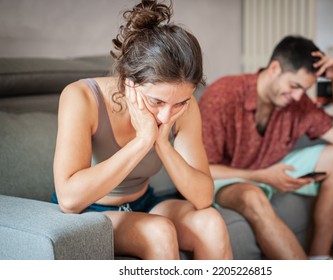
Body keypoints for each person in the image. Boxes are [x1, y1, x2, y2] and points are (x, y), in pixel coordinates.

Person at [52, 0, 232, 260]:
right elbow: (69, 200)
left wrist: (162, 144)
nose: (165, 115)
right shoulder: (81, 97)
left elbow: (203, 197)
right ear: (129, 81)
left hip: (144, 203)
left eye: (179, 102)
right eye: (156, 101)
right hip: (91, 211)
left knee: (211, 223)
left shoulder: (184, 106)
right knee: (158, 231)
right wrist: (143, 140)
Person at [199, 35, 333, 260]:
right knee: (252, 197)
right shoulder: (223, 94)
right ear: (274, 68)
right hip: (224, 177)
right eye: (294, 86)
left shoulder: (297, 101)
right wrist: (261, 177)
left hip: (269, 167)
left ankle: (320, 259)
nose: (299, 96)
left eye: (305, 89)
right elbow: (201, 170)